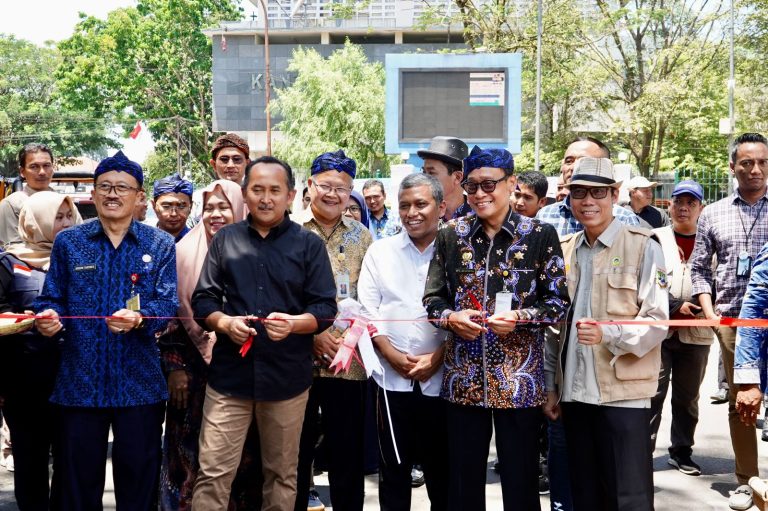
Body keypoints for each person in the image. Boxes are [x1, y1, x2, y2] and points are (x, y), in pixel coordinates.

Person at [423, 146, 569, 511]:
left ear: (511, 184)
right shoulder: (451, 234)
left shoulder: (539, 233)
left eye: (489, 184)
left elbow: (557, 304)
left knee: (520, 481)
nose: (480, 194)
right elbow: (432, 300)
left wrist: (520, 318)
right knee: (463, 481)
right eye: (471, 186)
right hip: (463, 378)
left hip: (519, 382)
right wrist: (451, 318)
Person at [34, 150, 178, 511]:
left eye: (122, 188)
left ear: (139, 196)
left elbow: (167, 306)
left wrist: (141, 318)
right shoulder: (70, 242)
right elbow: (51, 298)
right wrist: (49, 317)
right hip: (80, 383)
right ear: (94, 194)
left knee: (139, 482)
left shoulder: (159, 244)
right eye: (105, 187)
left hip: (139, 384)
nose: (113, 194)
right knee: (75, 486)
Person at [191, 156, 338, 510]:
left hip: (287, 378)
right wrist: (224, 323)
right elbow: (204, 299)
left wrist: (293, 324)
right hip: (230, 378)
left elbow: (324, 308)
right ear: (245, 194)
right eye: (258, 189)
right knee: (212, 473)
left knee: (283, 474)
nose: (266, 198)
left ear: (290, 196)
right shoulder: (226, 239)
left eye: (275, 190)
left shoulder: (308, 244)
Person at [543, 157, 668, 511]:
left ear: (615, 195)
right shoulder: (565, 250)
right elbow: (553, 329)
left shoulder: (645, 245)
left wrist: (609, 334)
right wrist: (550, 387)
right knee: (585, 495)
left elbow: (657, 320)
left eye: (598, 192)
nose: (587, 201)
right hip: (575, 395)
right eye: (579, 192)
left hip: (623, 395)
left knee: (629, 498)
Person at [358, 173, 450, 510]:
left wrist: (437, 358)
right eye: (405, 206)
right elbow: (367, 311)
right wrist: (391, 355)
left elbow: (467, 312)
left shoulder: (456, 251)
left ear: (440, 207)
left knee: (443, 473)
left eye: (421, 204)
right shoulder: (380, 252)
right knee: (393, 472)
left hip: (442, 380)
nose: (412, 212)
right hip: (390, 380)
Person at [690, 132, 768, 511]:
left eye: (762, 163)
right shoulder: (713, 213)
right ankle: (747, 481)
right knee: (742, 404)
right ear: (733, 167)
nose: (755, 170)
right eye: (747, 163)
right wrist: (708, 310)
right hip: (732, 322)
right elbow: (700, 267)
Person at [158, 179, 247, 510]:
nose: (216, 214)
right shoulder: (180, 253)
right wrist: (174, 367)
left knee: (241, 460)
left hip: (243, 372)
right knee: (189, 458)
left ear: (240, 209)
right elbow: (167, 316)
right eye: (209, 207)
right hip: (192, 377)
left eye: (224, 206)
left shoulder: (254, 252)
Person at [293, 150, 373, 511]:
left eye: (341, 188)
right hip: (296, 361)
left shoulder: (363, 237)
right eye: (324, 185)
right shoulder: (288, 231)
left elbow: (371, 296)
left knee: (347, 456)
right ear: (310, 185)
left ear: (350, 191)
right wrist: (311, 336)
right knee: (295, 453)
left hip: (349, 363)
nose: (332, 194)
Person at [0, 192, 81, 510]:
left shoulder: (82, 259)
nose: (64, 224)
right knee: (31, 464)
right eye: (56, 217)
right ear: (33, 221)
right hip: (24, 383)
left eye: (68, 216)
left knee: (70, 462)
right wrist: (31, 321)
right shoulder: (8, 263)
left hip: (74, 380)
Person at [649, 180, 712, 476]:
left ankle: (682, 451)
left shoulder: (710, 237)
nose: (684, 208)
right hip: (659, 330)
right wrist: (674, 305)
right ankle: (640, 452)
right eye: (678, 202)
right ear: (670, 205)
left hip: (697, 333)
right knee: (651, 393)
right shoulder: (655, 237)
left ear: (701, 208)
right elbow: (648, 279)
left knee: (687, 398)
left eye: (691, 203)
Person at [536, 136, 641, 235]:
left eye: (584, 161)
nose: (574, 167)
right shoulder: (545, 216)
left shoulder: (625, 219)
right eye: (569, 161)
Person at [0, 144, 56, 247]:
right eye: (34, 167)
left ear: (53, 168)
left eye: (46, 165)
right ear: (22, 172)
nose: (42, 172)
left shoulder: (63, 202)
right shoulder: (12, 205)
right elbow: (12, 251)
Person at [418, 136, 471, 221]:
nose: (424, 179)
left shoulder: (479, 217)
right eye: (424, 172)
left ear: (457, 177)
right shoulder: (419, 216)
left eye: (431, 173)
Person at [152, 174, 194, 242]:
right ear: (154, 206)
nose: (174, 214)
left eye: (181, 206)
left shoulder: (202, 242)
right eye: (166, 206)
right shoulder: (142, 241)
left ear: (191, 207)